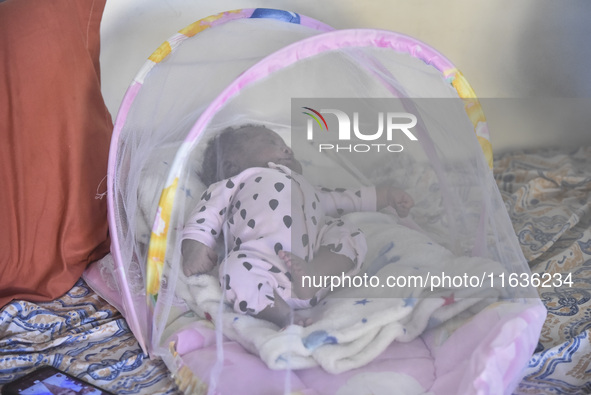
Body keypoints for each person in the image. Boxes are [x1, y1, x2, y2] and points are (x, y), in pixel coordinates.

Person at [181, 124, 414, 327]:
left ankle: (317, 274)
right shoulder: (236, 182)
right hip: (262, 269)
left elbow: (345, 198)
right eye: (272, 142)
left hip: (312, 273)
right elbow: (208, 211)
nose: (287, 149)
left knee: (347, 232)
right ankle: (282, 316)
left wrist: (385, 196)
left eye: (285, 145)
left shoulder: (307, 187)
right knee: (234, 267)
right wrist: (195, 246)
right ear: (231, 165)